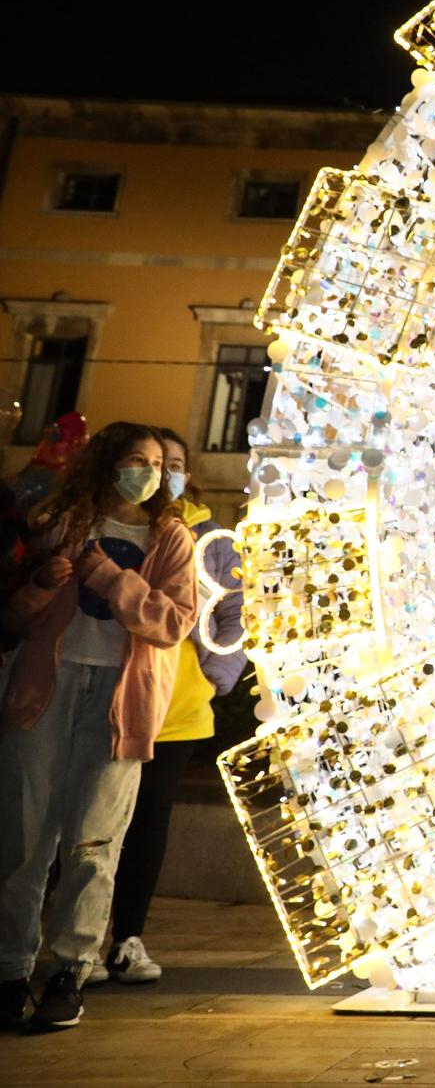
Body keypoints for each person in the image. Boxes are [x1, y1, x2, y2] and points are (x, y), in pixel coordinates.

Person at [0, 421, 195, 1031]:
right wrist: (40, 585)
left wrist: (108, 577)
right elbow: (15, 616)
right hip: (44, 692)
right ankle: (9, 969)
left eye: (160, 464)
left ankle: (70, 971)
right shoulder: (62, 523)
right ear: (107, 463)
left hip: (122, 706)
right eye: (137, 460)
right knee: (22, 840)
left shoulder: (172, 540)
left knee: (93, 843)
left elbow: (171, 622)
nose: (151, 473)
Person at [85, 429, 246, 986]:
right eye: (153, 462)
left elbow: (235, 614)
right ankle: (79, 937)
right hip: (121, 694)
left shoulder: (210, 536)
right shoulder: (115, 526)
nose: (163, 473)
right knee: (95, 819)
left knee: (149, 820)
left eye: (173, 463)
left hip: (180, 705)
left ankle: (127, 937)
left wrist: (216, 676)